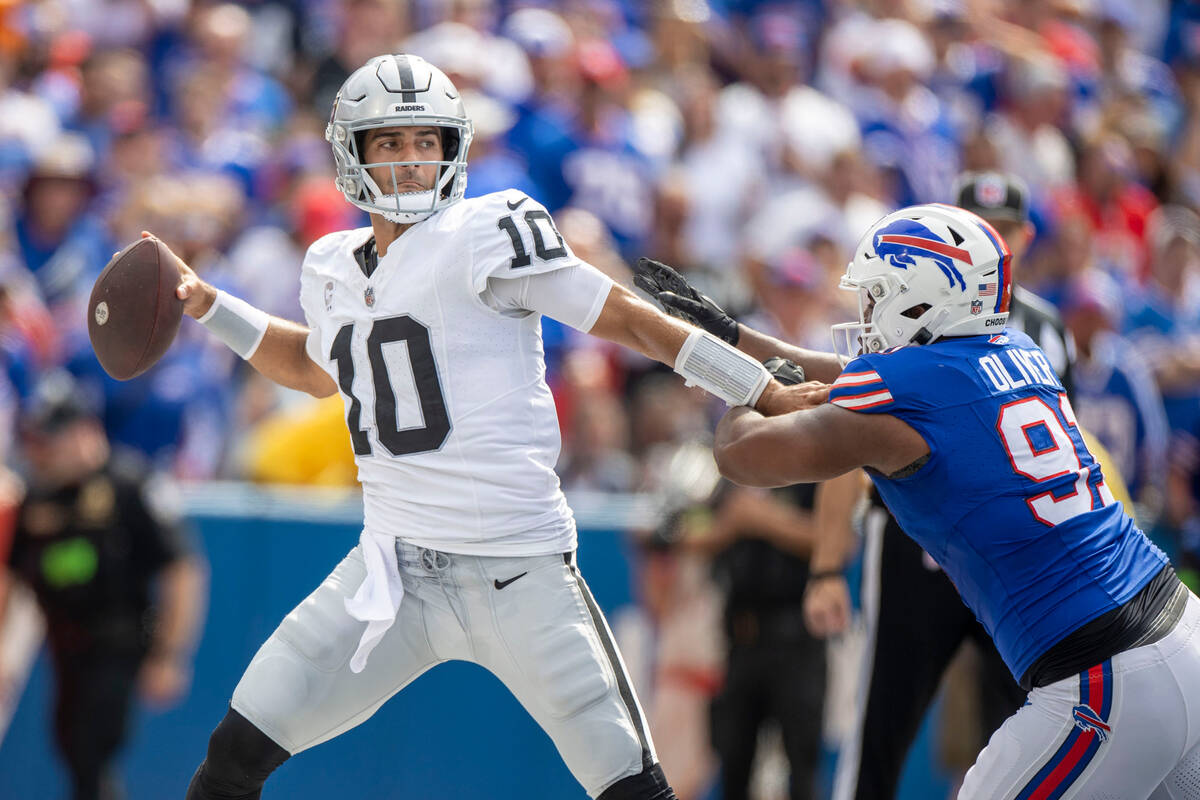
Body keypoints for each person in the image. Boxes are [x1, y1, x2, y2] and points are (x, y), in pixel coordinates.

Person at [170, 54, 801, 800]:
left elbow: (631, 320)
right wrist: (211, 304)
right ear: (352, 152)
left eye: (425, 141)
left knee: (635, 792)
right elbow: (318, 367)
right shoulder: (331, 263)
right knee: (232, 757)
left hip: (520, 574)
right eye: (390, 143)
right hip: (392, 574)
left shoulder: (488, 230)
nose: (411, 161)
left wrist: (760, 388)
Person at [704, 203, 1200, 798]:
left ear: (919, 299)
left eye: (876, 295)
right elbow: (854, 375)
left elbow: (742, 455)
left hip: (1102, 677)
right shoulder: (1018, 349)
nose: (864, 315)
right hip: (1180, 632)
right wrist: (739, 339)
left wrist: (738, 386)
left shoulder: (908, 385)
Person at [0, 372, 206, 800]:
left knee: (92, 751)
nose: (42, 450)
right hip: (63, 647)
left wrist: (170, 654)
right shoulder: (39, 496)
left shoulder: (133, 484)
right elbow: (11, 579)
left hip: (117, 644)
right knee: (73, 752)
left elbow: (183, 569)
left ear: (83, 432)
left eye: (52, 437)